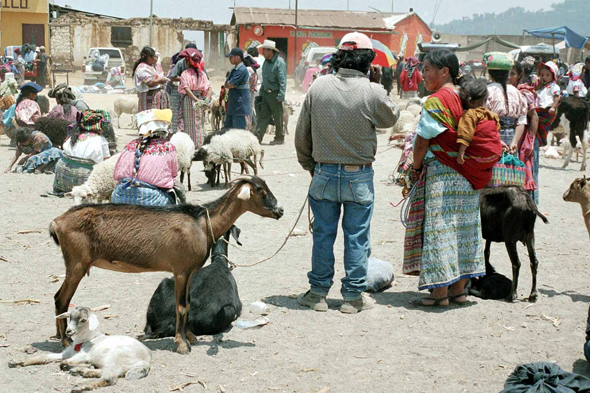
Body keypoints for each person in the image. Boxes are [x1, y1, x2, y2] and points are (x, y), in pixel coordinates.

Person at [295, 32, 398, 314]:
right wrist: (379, 86)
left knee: (323, 236)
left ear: (339, 56)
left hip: (324, 174)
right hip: (359, 177)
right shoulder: (373, 91)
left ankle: (317, 294)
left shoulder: (318, 87)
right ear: (368, 61)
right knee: (357, 237)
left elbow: (301, 136)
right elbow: (390, 118)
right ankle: (352, 297)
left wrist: (312, 167)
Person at [403, 50, 502, 307]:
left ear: (444, 71)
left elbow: (423, 141)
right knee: (464, 231)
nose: (422, 74)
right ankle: (459, 291)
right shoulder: (466, 96)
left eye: (426, 69)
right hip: (468, 176)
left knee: (440, 230)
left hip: (444, 174)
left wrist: (414, 169)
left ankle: (438, 294)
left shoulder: (436, 100)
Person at [112, 109, 179, 206]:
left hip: (120, 196)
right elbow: (173, 174)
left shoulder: (129, 146)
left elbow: (116, 176)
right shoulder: (168, 148)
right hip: (152, 200)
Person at [53, 110, 112, 194]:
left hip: (63, 173)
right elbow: (106, 162)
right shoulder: (100, 140)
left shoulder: (73, 136)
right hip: (83, 178)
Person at [483, 52, 528, 153]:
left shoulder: (486, 91)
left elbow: (484, 120)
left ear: (490, 73)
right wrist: (514, 142)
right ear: (507, 73)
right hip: (511, 139)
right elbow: (521, 122)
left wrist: (497, 140)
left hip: (492, 138)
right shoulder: (518, 93)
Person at [509, 59, 540, 202]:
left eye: (512, 74)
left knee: (528, 172)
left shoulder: (524, 92)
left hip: (526, 139)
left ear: (520, 74)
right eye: (506, 74)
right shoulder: (508, 91)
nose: (509, 77)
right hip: (516, 136)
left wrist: (530, 141)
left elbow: (534, 118)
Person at [456, 78, 500, 165]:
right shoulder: (491, 114)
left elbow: (466, 133)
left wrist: (461, 152)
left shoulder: (469, 114)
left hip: (480, 154)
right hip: (495, 154)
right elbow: (495, 132)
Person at [535, 61, 561, 204]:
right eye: (542, 75)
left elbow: (556, 97)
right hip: (539, 110)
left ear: (553, 75)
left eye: (547, 75)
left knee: (540, 127)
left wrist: (553, 107)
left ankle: (541, 140)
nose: (544, 77)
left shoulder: (554, 87)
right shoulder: (541, 87)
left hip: (547, 111)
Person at [177, 48, 211, 148]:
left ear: (188, 62)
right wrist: (205, 100)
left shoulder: (185, 74)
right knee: (199, 123)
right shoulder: (202, 74)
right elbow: (209, 87)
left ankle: (190, 146)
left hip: (189, 100)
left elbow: (186, 89)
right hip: (200, 98)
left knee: (188, 123)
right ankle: (199, 144)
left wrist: (195, 100)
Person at [256, 40, 287, 145]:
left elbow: (283, 81)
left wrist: (281, 95)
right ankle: (257, 138)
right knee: (263, 116)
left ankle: (279, 138)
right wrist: (261, 93)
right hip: (265, 94)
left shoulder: (279, 62)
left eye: (264, 50)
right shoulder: (265, 62)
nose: (262, 52)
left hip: (275, 94)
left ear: (270, 51)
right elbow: (264, 79)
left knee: (278, 117)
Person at [133, 47, 169, 112]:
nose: (155, 59)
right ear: (149, 57)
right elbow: (149, 82)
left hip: (154, 96)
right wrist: (160, 80)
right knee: (149, 117)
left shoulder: (151, 66)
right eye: (154, 57)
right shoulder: (142, 68)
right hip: (148, 97)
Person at [224, 48, 251, 130]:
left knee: (238, 130)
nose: (229, 59)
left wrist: (231, 84)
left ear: (238, 57)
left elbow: (231, 84)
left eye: (231, 57)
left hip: (239, 105)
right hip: (233, 103)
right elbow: (226, 84)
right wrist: (230, 84)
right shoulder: (234, 70)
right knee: (228, 128)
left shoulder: (242, 70)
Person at [243, 53, 259, 130]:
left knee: (246, 112)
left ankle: (247, 128)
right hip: (252, 92)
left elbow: (246, 82)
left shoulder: (248, 69)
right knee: (250, 110)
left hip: (248, 92)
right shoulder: (253, 70)